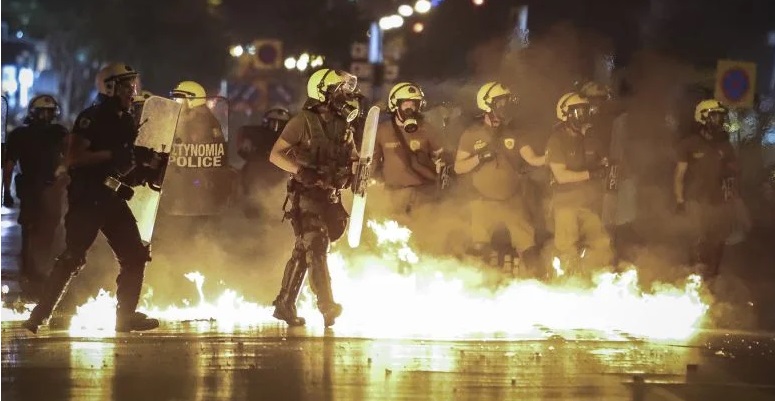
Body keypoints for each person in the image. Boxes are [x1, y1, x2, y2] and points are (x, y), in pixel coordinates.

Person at [23, 63, 160, 334]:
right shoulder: (92, 117)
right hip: (88, 197)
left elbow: (125, 159)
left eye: (134, 85)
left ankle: (126, 317)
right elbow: (75, 157)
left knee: (135, 254)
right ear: (110, 86)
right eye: (127, 85)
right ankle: (38, 316)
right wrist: (113, 155)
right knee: (73, 257)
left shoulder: (126, 118)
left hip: (111, 196)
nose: (133, 91)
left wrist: (145, 162)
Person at [268, 68, 359, 327]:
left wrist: (353, 175)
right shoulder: (303, 121)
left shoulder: (344, 126)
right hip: (306, 195)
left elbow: (353, 158)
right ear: (323, 92)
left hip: (330, 197)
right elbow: (275, 154)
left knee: (304, 251)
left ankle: (284, 304)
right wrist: (300, 171)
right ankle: (327, 305)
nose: (346, 95)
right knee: (316, 245)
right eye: (339, 90)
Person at [454, 81, 541, 276]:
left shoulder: (514, 133)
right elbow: (459, 167)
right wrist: (479, 157)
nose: (504, 107)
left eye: (505, 102)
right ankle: (480, 286)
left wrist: (548, 157)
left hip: (512, 200)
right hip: (482, 201)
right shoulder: (471, 135)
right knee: (479, 247)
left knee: (528, 247)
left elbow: (532, 159)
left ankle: (534, 282)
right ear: (486, 105)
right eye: (499, 102)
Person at [546, 92, 614, 276]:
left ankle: (596, 281)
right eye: (578, 112)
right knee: (567, 249)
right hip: (565, 203)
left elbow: (605, 161)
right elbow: (561, 176)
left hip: (588, 204)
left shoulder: (591, 138)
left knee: (601, 243)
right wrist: (591, 174)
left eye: (585, 111)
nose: (583, 117)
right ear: (565, 114)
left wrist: (608, 167)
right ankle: (566, 285)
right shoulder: (557, 140)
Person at [4, 95, 68, 287]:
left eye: (48, 112)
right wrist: (6, 192)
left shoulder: (59, 133)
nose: (45, 116)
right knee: (32, 232)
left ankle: (38, 273)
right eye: (42, 112)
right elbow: (8, 167)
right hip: (33, 190)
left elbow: (70, 158)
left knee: (46, 232)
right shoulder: (22, 135)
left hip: (50, 190)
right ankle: (32, 273)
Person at [674, 99, 738, 280]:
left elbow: (733, 173)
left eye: (720, 117)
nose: (719, 120)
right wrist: (679, 201)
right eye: (715, 116)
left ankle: (713, 277)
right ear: (703, 117)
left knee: (718, 241)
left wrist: (732, 198)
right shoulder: (689, 144)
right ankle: (694, 279)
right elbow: (679, 175)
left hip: (719, 201)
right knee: (696, 239)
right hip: (696, 200)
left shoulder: (725, 144)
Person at [373, 82, 445, 218]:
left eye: (414, 104)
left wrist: (437, 163)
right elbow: (373, 162)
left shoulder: (427, 128)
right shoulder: (383, 130)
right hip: (394, 195)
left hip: (424, 195)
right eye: (406, 104)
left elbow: (442, 157)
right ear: (395, 105)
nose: (410, 108)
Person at [162, 80, 232, 217]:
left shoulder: (201, 121)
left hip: (195, 177)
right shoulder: (193, 117)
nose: (175, 102)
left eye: (179, 99)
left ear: (192, 100)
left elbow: (193, 146)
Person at [238, 107, 291, 218]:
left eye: (281, 124)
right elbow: (244, 152)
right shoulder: (256, 137)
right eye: (274, 124)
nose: (276, 127)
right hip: (260, 173)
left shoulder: (292, 138)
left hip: (281, 174)